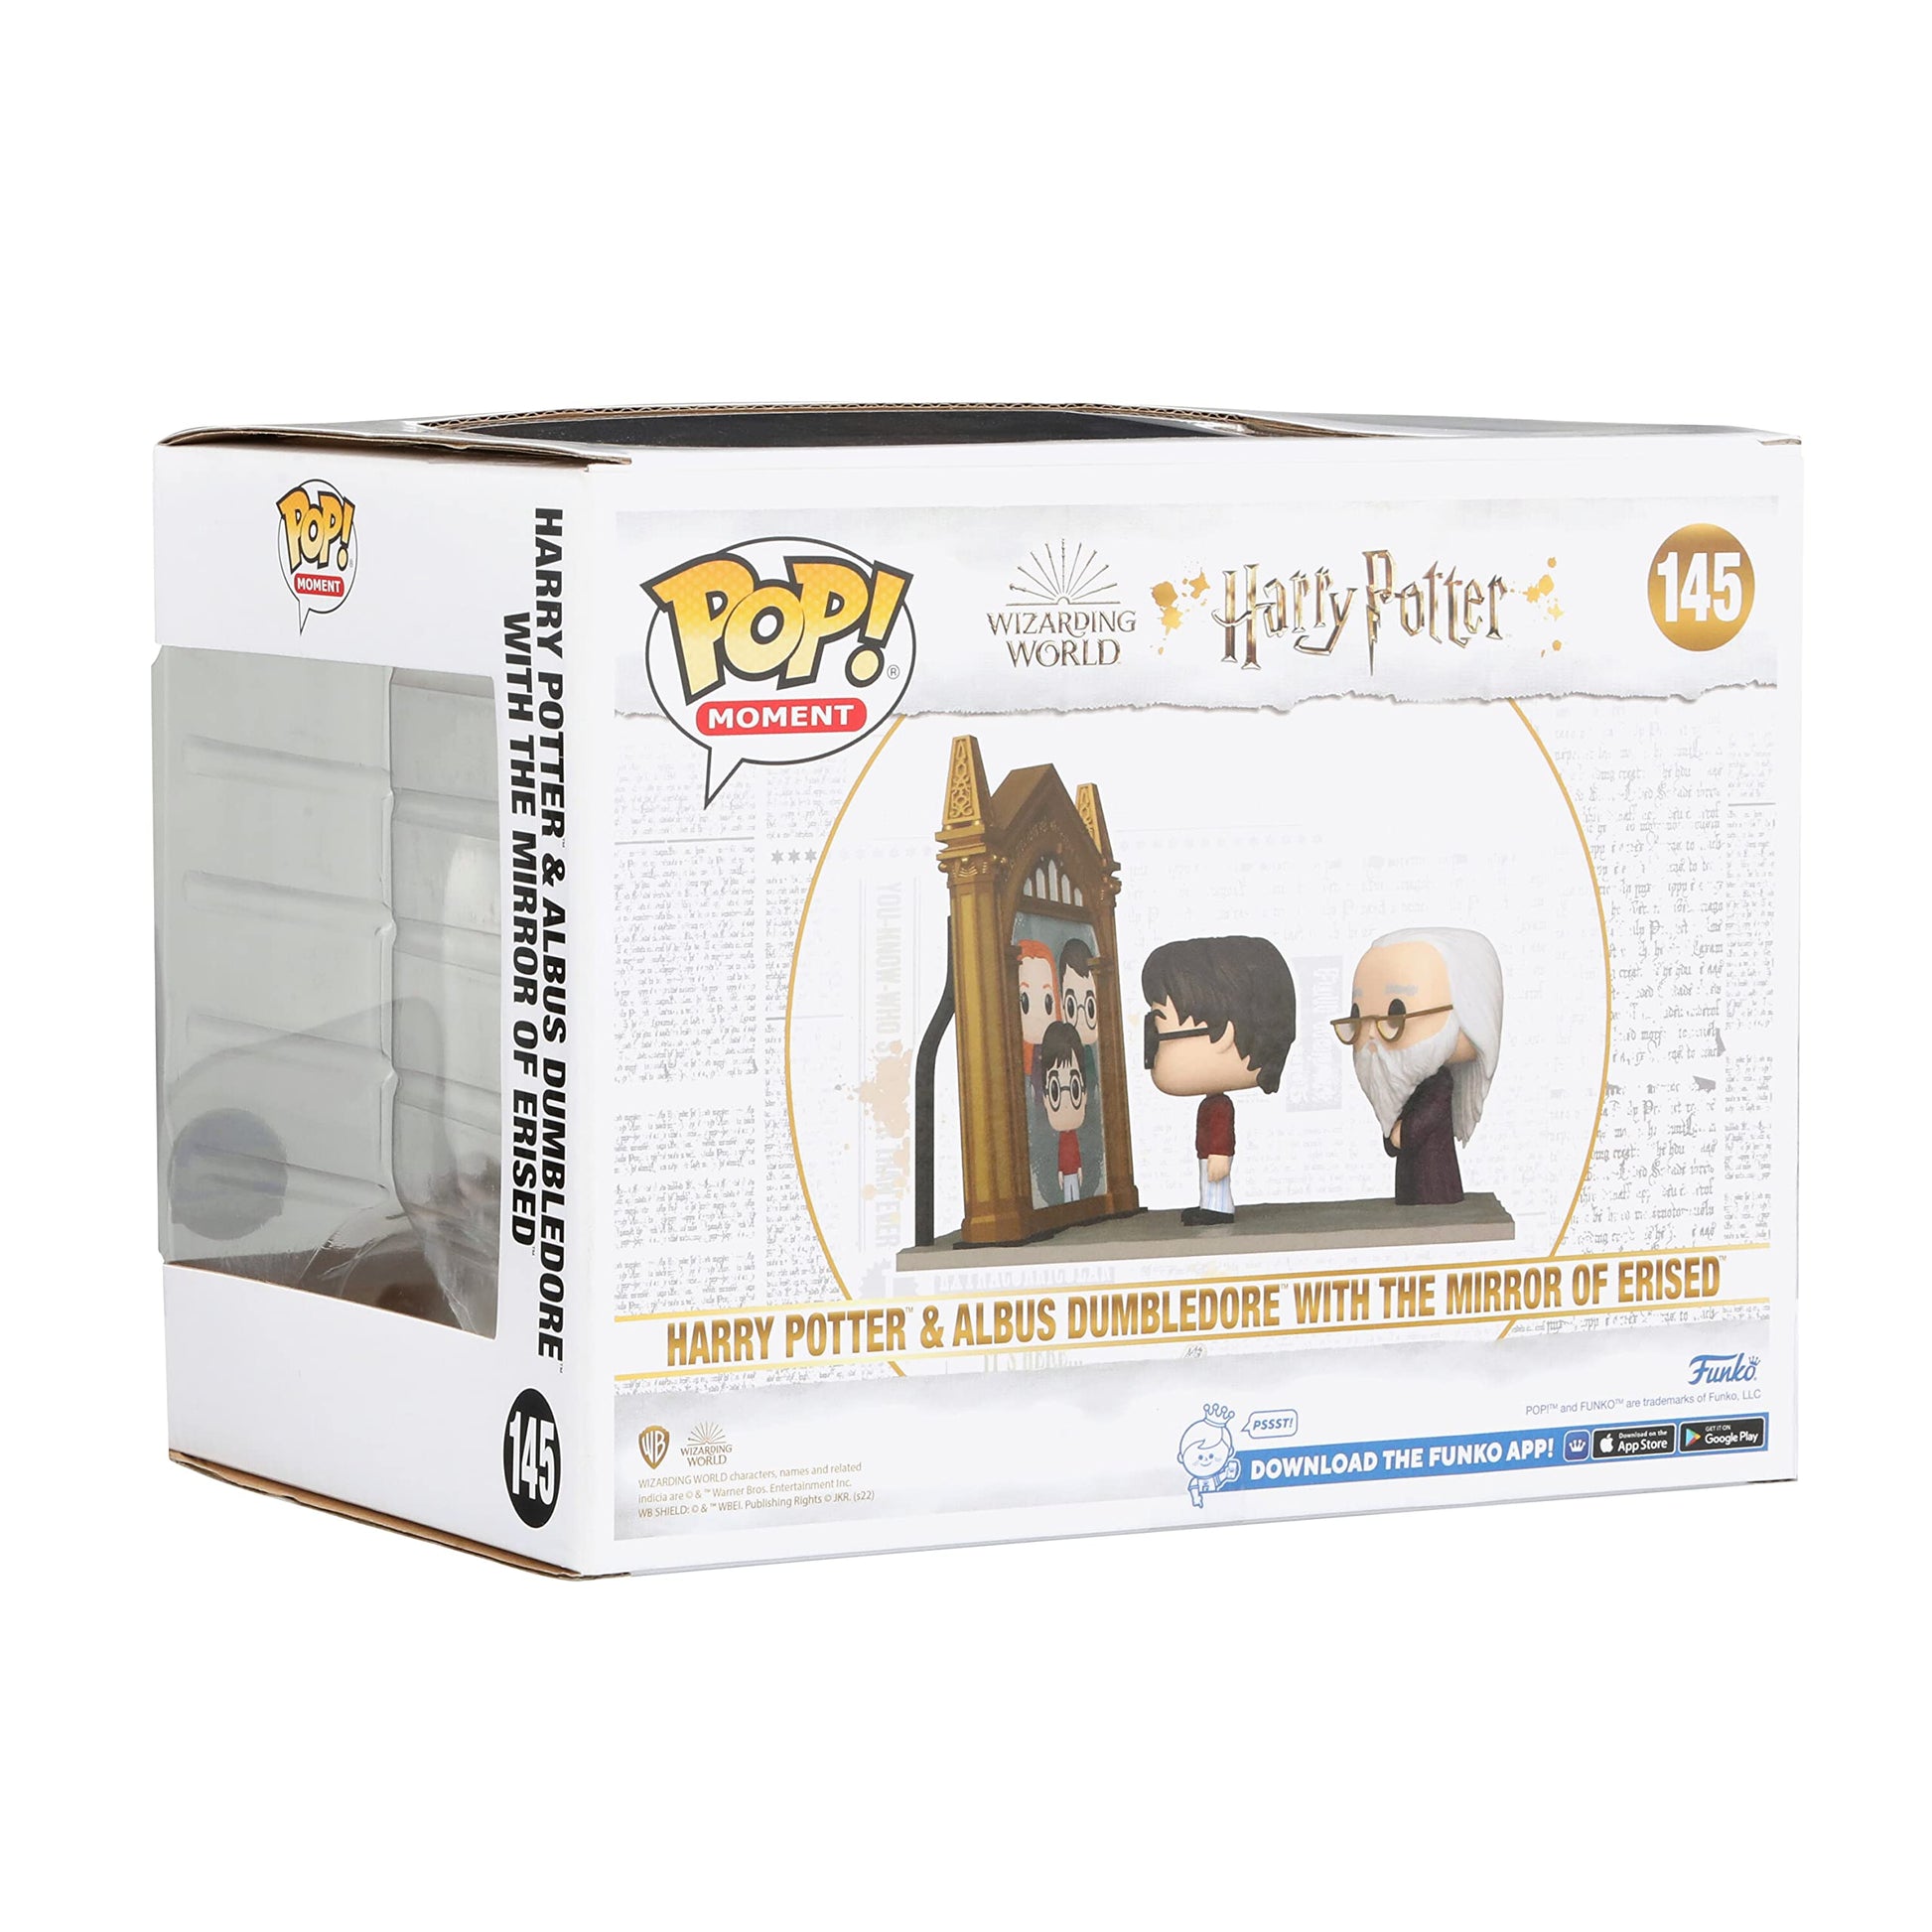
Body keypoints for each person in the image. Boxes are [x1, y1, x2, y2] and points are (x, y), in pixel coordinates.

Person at [1334, 926, 1503, 1206]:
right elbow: (1395, 1133)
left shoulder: (1440, 1084)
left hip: (1435, 1183)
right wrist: (1392, 1132)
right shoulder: (1403, 1086)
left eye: (1396, 1013)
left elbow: (1424, 1120)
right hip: (1409, 1181)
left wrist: (1402, 1133)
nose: (1371, 1034)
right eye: (1358, 1015)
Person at [1142, 936, 1298, 1226]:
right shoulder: (1212, 1103)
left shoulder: (1219, 1107)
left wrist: (1219, 1155)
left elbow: (1221, 1134)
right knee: (1208, 1180)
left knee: (1215, 1181)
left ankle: (1218, 1208)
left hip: (1214, 1156)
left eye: (1159, 1029)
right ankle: (1210, 1205)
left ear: (1224, 1035)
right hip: (1208, 1154)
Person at [1035, 1020, 1088, 1202]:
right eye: (1055, 1090)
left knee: (1074, 1195)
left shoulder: (1074, 1137)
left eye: (1074, 1088)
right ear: (1046, 1098)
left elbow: (1076, 1154)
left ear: (1084, 1094)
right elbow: (1060, 1156)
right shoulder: (1058, 1140)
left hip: (1073, 1172)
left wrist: (1079, 1169)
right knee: (1068, 1195)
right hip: (1065, 1173)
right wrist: (1059, 1172)